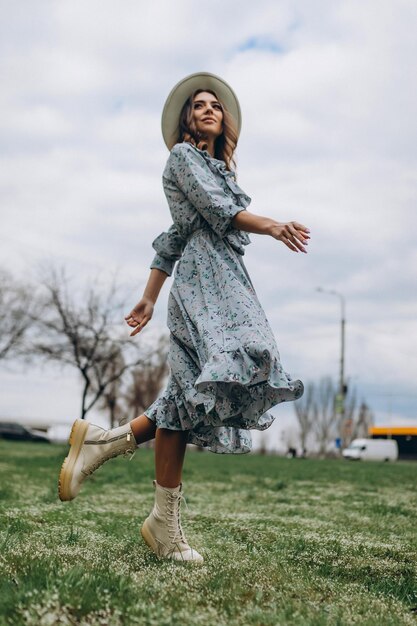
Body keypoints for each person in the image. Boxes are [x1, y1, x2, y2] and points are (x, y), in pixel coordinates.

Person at [58, 72, 310, 564]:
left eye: (215, 105)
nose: (208, 109)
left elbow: (172, 235)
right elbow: (214, 217)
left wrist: (150, 297)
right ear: (186, 119)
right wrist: (273, 225)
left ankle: (118, 463)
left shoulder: (220, 172)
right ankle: (126, 476)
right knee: (249, 354)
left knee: (188, 394)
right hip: (203, 281)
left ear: (225, 119)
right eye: (198, 105)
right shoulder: (182, 159)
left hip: (227, 278)